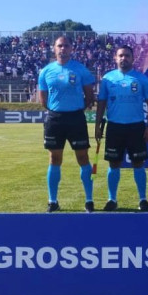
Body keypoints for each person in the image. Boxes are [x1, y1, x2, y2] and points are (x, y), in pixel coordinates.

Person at [38, 35, 97, 212]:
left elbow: (89, 96)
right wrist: (57, 110)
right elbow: (43, 99)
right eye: (59, 46)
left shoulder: (80, 69)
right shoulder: (46, 71)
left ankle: (89, 200)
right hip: (55, 119)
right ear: (54, 48)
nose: (62, 49)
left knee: (83, 158)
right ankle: (53, 201)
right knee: (54, 158)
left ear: (72, 48)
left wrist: (76, 109)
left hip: (76, 118)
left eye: (66, 46)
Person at [95, 45, 148, 211]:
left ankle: (143, 200)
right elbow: (101, 103)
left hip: (136, 127)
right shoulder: (107, 79)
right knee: (113, 163)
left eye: (127, 56)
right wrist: (97, 125)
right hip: (114, 127)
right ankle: (112, 199)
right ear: (115, 58)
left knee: (138, 163)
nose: (124, 58)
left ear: (133, 58)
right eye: (121, 55)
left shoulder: (141, 79)